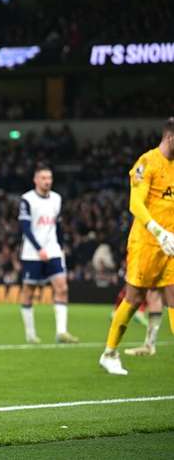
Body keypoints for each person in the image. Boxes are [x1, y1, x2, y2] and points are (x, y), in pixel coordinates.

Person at [100, 118, 174, 375]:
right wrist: (159, 232)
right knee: (134, 299)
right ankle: (109, 353)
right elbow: (136, 204)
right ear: (170, 138)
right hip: (146, 243)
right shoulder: (147, 162)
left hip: (171, 245)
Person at [18, 164, 78, 344]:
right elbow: (25, 228)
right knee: (29, 291)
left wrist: (61, 246)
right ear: (36, 180)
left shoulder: (56, 199)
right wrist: (38, 249)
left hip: (53, 250)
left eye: (49, 178)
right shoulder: (27, 199)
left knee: (62, 288)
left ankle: (61, 332)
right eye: (43, 178)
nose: (47, 181)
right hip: (32, 253)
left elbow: (57, 225)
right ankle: (30, 334)